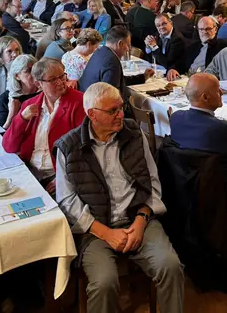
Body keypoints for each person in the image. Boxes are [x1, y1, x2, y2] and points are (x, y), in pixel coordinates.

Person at [54, 82, 184, 313]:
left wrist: (141, 220)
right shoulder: (69, 147)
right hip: (95, 229)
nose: (121, 115)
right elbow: (67, 201)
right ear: (92, 114)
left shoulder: (133, 133)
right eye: (112, 111)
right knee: (104, 282)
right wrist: (105, 233)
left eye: (121, 107)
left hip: (138, 219)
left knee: (170, 266)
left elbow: (152, 181)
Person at [3, 58, 85, 193]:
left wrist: (62, 177)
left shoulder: (79, 102)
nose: (60, 82)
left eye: (62, 76)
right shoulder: (30, 105)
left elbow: (84, 148)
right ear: (38, 83)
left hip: (60, 175)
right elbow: (9, 147)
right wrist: (22, 118)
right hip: (29, 172)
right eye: (53, 79)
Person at [169, 73, 227, 191]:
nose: (222, 93)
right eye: (218, 90)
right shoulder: (221, 129)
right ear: (205, 97)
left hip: (185, 184)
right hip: (220, 189)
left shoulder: (175, 118)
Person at [78, 25, 154, 97]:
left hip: (86, 98)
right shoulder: (112, 61)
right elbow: (111, 97)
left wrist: (142, 77)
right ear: (120, 44)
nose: (128, 49)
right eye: (128, 45)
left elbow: (120, 79)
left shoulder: (99, 51)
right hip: (94, 103)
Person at [0, 55, 39, 129]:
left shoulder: (44, 93)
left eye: (35, 70)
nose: (34, 74)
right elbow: (3, 132)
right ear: (17, 76)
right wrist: (12, 114)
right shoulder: (7, 98)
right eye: (29, 71)